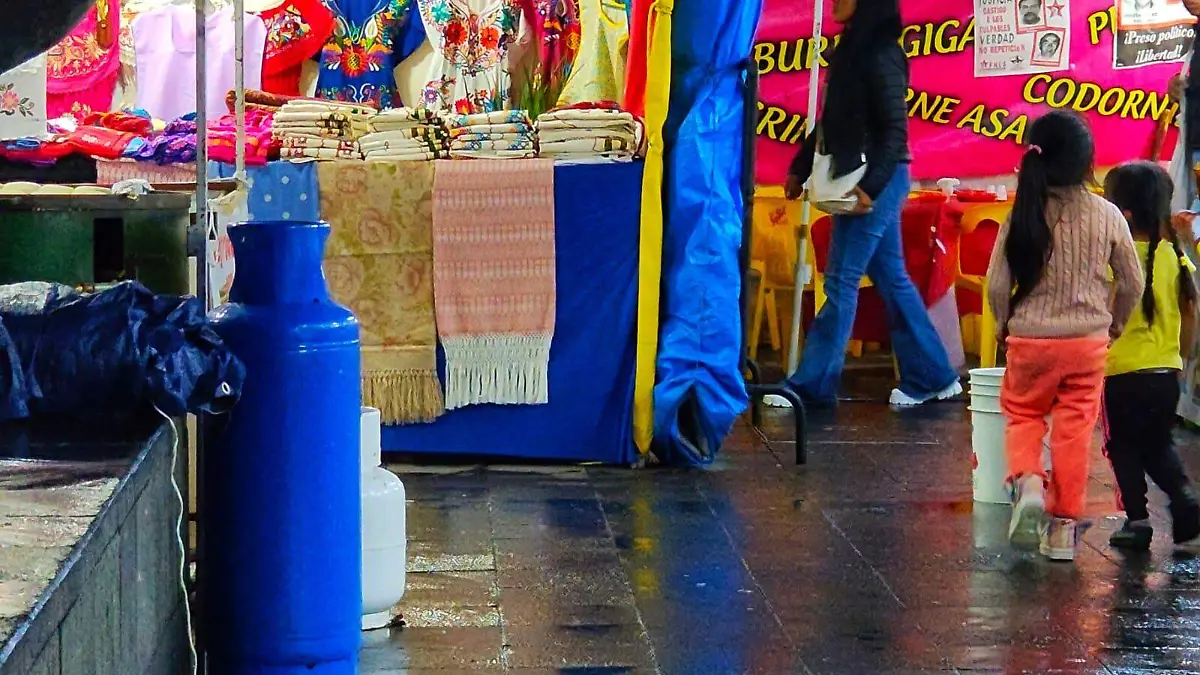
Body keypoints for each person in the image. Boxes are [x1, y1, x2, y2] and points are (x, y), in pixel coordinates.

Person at [783, 0, 960, 407]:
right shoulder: (853, 48)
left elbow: (896, 132)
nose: (834, 2)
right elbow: (833, 122)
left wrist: (872, 189)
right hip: (868, 179)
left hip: (876, 181)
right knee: (892, 279)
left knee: (841, 281)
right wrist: (800, 166)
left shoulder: (882, 53)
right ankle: (933, 375)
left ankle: (811, 386)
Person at [989, 111, 1144, 563]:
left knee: (1022, 413)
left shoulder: (1019, 215)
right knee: (1075, 433)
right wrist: (1112, 324)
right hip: (1088, 344)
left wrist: (1004, 325)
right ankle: (1061, 532)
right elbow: (1132, 282)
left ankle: (1029, 482)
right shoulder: (1109, 215)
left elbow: (998, 285)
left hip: (1030, 341)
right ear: (1086, 160)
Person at [1102, 161, 1200, 552]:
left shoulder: (1114, 261)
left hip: (1121, 374)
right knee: (1159, 444)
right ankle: (1184, 499)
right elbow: (1191, 312)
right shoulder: (1174, 257)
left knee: (1121, 446)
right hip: (1166, 373)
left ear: (1121, 213)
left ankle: (1137, 521)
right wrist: (1182, 360)